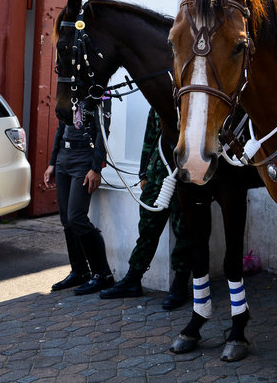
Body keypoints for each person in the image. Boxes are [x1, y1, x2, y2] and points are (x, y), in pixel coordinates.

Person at [99, 109, 192, 310]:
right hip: (157, 172)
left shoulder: (190, 97)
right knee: (148, 226)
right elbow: (150, 136)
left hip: (186, 173)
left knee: (183, 230)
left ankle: (180, 284)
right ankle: (133, 279)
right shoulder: (159, 98)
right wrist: (144, 172)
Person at [42, 97, 115, 294]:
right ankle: (79, 270)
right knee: (66, 220)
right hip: (63, 159)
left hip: (84, 160)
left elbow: (103, 131)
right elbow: (60, 129)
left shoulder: (100, 93)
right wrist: (52, 163)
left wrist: (96, 167)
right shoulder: (68, 91)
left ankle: (102, 274)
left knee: (77, 218)